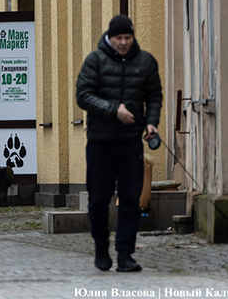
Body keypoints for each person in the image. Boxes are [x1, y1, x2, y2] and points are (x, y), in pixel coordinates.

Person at [76, 14, 162, 273]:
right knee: (99, 199)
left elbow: (154, 95)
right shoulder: (95, 60)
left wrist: (151, 122)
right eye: (119, 38)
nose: (124, 42)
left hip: (130, 143)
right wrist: (114, 110)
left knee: (130, 199)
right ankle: (101, 248)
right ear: (110, 38)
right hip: (100, 142)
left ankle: (125, 253)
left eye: (128, 37)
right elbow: (83, 95)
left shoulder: (145, 61)